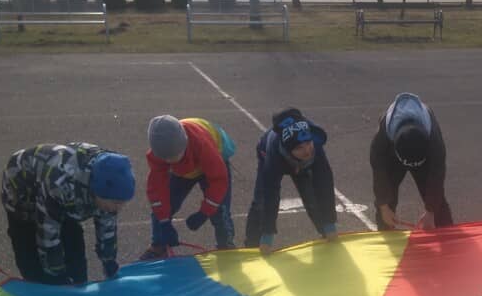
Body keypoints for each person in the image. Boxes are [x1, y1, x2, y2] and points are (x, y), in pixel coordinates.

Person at [1, 143, 134, 286]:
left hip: (67, 191)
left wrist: (109, 262)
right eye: (116, 203)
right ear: (97, 191)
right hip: (21, 189)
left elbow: (107, 226)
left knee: (75, 258)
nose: (119, 208)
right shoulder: (61, 186)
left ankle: (77, 284)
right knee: (33, 265)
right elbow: (47, 234)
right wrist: (57, 274)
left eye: (123, 203)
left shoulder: (113, 179)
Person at [141, 115, 237, 260]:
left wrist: (204, 212)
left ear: (184, 144)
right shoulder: (158, 155)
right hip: (183, 171)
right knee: (167, 204)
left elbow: (218, 181)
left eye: (175, 156)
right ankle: (159, 245)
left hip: (213, 163)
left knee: (220, 209)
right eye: (167, 159)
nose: (171, 160)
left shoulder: (203, 145)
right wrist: (164, 221)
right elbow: (157, 191)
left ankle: (226, 246)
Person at [245, 108, 339, 254]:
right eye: (300, 148)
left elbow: (324, 183)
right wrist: (267, 235)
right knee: (261, 202)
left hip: (301, 164)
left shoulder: (315, 147)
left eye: (308, 143)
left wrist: (330, 223)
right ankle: (251, 245)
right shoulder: (273, 156)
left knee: (312, 197)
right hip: (270, 157)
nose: (307, 150)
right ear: (289, 150)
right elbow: (271, 194)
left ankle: (325, 232)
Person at [369, 93, 453, 231]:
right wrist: (383, 207)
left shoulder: (434, 142)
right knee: (386, 200)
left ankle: (448, 235)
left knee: (438, 206)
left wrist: (431, 211)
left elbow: (436, 176)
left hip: (423, 153)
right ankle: (385, 231)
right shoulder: (382, 139)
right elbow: (379, 173)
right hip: (393, 153)